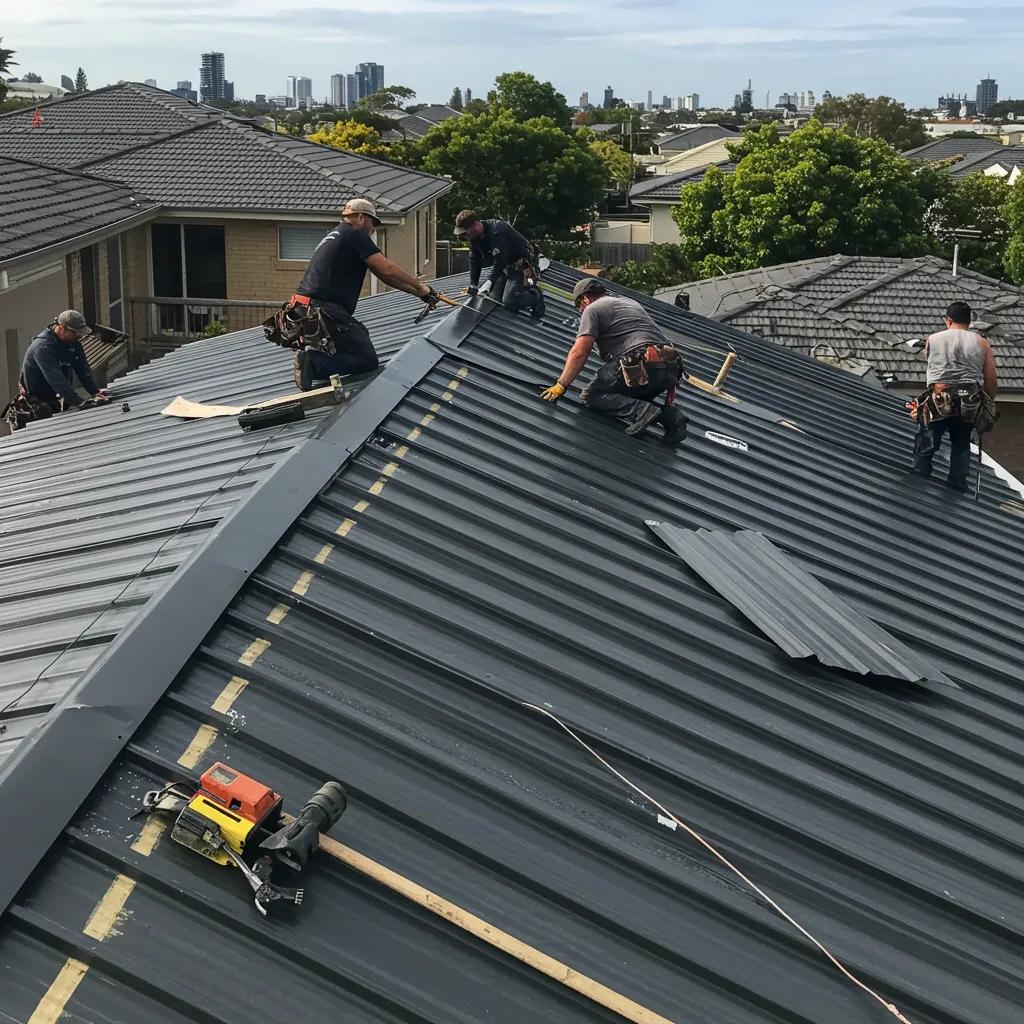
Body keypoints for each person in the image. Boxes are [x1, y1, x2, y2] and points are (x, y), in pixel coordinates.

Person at [288, 198, 439, 390]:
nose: (373, 230)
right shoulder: (354, 234)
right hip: (322, 310)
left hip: (302, 309)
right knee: (367, 361)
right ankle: (314, 362)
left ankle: (312, 361)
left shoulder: (337, 234)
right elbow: (388, 269)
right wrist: (422, 289)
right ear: (360, 217)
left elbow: (385, 276)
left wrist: (420, 293)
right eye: (372, 223)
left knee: (360, 335)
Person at [539, 278, 688, 446]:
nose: (581, 311)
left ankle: (641, 412)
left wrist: (561, 385)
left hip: (640, 363)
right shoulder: (628, 302)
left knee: (593, 395)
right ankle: (671, 418)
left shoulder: (592, 309)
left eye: (580, 306)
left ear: (585, 299)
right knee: (622, 395)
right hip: (670, 367)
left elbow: (580, 352)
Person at [911, 300, 998, 493]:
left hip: (939, 395)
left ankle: (920, 473)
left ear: (948, 320)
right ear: (969, 322)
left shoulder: (932, 339)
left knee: (929, 437)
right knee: (961, 443)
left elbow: (931, 365)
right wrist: (987, 403)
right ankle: (957, 483)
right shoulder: (982, 344)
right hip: (968, 399)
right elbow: (991, 379)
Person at [453, 210, 545, 320]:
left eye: (465, 232)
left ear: (476, 225)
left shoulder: (497, 230)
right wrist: (473, 284)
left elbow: (500, 260)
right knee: (494, 299)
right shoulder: (474, 237)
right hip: (505, 267)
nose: (465, 236)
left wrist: (490, 281)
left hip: (521, 264)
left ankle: (536, 297)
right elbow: (475, 259)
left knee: (510, 301)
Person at [18, 310, 109, 417]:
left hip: (59, 397)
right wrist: (79, 402)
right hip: (39, 402)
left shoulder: (73, 343)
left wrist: (95, 392)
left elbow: (83, 370)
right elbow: (56, 379)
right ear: (61, 328)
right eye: (75, 332)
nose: (79, 336)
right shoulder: (43, 348)